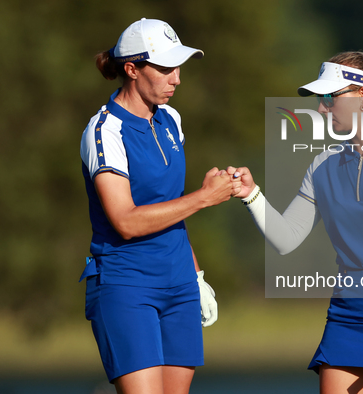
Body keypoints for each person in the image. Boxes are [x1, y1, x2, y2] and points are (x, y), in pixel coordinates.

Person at [229, 51, 363, 393]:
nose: (321, 108)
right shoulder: (323, 163)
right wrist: (251, 194)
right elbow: (287, 238)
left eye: (330, 98)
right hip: (348, 318)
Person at [79, 18, 239, 394]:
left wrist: (196, 277)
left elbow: (171, 210)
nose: (177, 78)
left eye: (178, 66)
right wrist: (203, 198)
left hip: (179, 281)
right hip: (126, 284)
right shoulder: (104, 131)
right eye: (165, 68)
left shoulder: (170, 120)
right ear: (132, 69)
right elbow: (126, 222)